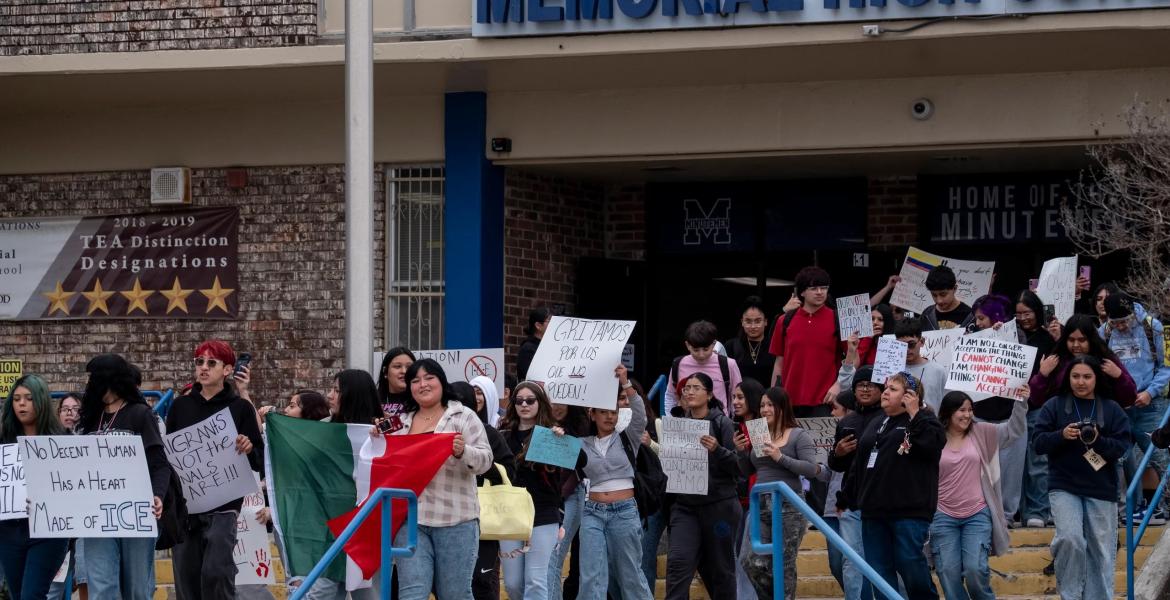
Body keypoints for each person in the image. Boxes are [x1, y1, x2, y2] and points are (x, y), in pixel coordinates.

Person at [387, 359, 493, 600]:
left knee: (454, 594)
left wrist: (463, 451)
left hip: (456, 521)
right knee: (411, 594)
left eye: (429, 378)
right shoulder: (401, 421)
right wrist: (376, 437)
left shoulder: (463, 416)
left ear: (441, 381)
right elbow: (384, 459)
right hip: (410, 520)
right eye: (415, 380)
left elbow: (486, 460)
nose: (422, 384)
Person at [166, 341, 265, 600]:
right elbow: (172, 456)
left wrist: (248, 445)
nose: (203, 368)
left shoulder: (240, 408)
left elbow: (259, 460)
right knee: (186, 576)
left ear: (227, 369)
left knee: (216, 571)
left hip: (224, 505)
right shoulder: (179, 406)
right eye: (199, 362)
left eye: (211, 363)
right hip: (187, 506)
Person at [1033, 356, 1132, 600]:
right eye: (1076, 376)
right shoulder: (1054, 405)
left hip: (1102, 487)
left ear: (1097, 379)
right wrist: (1061, 435)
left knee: (1101, 551)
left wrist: (1098, 440)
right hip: (1064, 485)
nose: (1081, 382)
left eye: (1087, 376)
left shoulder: (1111, 408)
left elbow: (1122, 448)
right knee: (1070, 538)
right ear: (1068, 378)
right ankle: (1071, 595)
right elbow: (1038, 443)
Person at [1026, 314, 1137, 527]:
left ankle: (1118, 517)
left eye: (1082, 340)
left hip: (1103, 436)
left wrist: (1118, 376)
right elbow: (1035, 398)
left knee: (1115, 474)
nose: (1076, 345)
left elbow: (1129, 396)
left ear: (1091, 339)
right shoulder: (1056, 361)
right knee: (1070, 533)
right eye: (1071, 339)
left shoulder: (1106, 360)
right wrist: (1042, 375)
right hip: (1063, 442)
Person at [77, 354, 170, 600]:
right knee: (102, 589)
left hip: (135, 514)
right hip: (96, 516)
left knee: (137, 590)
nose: (90, 384)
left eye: (94, 378)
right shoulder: (89, 421)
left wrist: (158, 495)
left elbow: (160, 464)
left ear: (109, 380)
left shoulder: (140, 414)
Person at [852, 372, 944, 600]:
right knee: (879, 571)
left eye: (892, 389)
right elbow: (861, 462)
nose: (884, 392)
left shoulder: (926, 420)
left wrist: (915, 412)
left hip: (909, 511)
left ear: (910, 396)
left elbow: (932, 445)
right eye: (886, 388)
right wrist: (849, 496)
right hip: (873, 510)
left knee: (909, 565)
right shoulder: (877, 421)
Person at [932, 390, 1027, 600]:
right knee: (947, 572)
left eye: (970, 410)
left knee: (975, 570)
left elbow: (1014, 430)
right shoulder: (934, 436)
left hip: (977, 514)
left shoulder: (982, 432)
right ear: (947, 413)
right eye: (961, 410)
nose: (967, 415)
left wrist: (1021, 402)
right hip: (942, 516)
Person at [498, 382, 584, 600]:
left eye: (530, 400)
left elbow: (582, 461)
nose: (524, 404)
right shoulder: (503, 436)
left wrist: (561, 439)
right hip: (510, 514)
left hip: (544, 513)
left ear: (540, 403)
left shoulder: (550, 435)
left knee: (536, 582)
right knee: (513, 584)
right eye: (519, 400)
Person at [734, 386, 819, 600]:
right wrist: (741, 452)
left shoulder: (798, 435)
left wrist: (781, 457)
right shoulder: (759, 433)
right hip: (760, 503)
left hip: (788, 505)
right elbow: (748, 471)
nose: (764, 409)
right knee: (750, 561)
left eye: (770, 404)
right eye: (762, 405)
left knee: (783, 563)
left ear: (782, 407)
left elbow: (811, 469)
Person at [577, 364, 652, 600]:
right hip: (592, 511)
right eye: (604, 411)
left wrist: (626, 383)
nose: (610, 416)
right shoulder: (580, 442)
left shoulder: (627, 437)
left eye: (613, 412)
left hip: (625, 511)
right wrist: (557, 434)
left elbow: (640, 415)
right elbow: (551, 449)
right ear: (593, 414)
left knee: (630, 574)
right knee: (591, 575)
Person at [665, 373, 742, 600]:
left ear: (709, 395)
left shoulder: (723, 423)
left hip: (719, 507)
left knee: (721, 569)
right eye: (686, 388)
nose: (689, 392)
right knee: (678, 563)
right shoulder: (678, 425)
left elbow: (740, 468)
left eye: (696, 388)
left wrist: (718, 450)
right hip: (685, 507)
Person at [1100, 293, 1170, 522]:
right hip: (1120, 406)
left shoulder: (1153, 327)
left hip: (1150, 402)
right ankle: (1124, 509)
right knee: (1118, 457)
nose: (1120, 326)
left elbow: (1166, 367)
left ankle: (1165, 507)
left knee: (1159, 456)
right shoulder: (1105, 332)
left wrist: (1150, 392)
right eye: (1115, 322)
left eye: (1124, 321)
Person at [0, 375, 69, 600]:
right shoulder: (4, 442)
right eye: (17, 398)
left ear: (40, 401)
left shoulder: (61, 441)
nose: (21, 403)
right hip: (10, 531)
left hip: (48, 532)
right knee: (18, 595)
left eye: (28, 398)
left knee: (32, 595)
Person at [827, 366, 883, 600]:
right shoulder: (846, 421)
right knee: (851, 561)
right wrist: (838, 453)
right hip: (851, 502)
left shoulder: (890, 418)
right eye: (861, 385)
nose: (866, 389)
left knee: (883, 559)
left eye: (871, 384)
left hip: (883, 503)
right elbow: (836, 465)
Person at [461, 382, 515, 600]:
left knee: (482, 580)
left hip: (484, 518)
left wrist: (479, 461)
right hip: (452, 518)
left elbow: (509, 472)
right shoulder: (439, 432)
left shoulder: (490, 434)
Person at [768, 266, 841, 418]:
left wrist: (839, 385)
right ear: (801, 292)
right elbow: (779, 362)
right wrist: (773, 398)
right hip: (789, 401)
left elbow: (852, 360)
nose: (820, 292)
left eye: (824, 287)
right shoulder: (784, 321)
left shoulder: (837, 319)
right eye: (814, 288)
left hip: (825, 401)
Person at [548, 401, 592, 600]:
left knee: (553, 559)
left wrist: (564, 440)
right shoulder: (539, 428)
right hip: (543, 500)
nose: (555, 407)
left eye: (561, 403)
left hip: (570, 497)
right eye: (550, 402)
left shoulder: (580, 429)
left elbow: (583, 465)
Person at [728, 378, 764, 600]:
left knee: (746, 557)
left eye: (740, 397)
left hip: (755, 500)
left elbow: (761, 464)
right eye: (733, 397)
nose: (735, 402)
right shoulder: (732, 427)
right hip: (734, 499)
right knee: (733, 555)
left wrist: (741, 451)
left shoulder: (760, 427)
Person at [664, 320, 743, 414]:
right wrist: (670, 420)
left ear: (714, 344)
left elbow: (737, 397)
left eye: (706, 349)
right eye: (696, 350)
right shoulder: (678, 364)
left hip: (718, 424)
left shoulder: (728, 364)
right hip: (686, 424)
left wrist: (733, 425)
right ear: (687, 345)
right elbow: (670, 396)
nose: (701, 355)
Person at [724, 296, 777, 385]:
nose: (753, 326)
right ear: (742, 322)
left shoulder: (773, 345)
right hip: (739, 397)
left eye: (757, 321)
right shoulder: (731, 346)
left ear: (765, 322)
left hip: (766, 397)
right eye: (748, 321)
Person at [920, 265, 975, 331]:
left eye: (943, 294)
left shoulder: (969, 315)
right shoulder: (927, 314)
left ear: (954, 289)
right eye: (934, 295)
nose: (939, 301)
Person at [376, 346, 416, 418]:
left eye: (409, 367)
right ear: (385, 372)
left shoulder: (421, 401)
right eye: (397, 366)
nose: (404, 371)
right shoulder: (373, 401)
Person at [517, 307, 552, 380]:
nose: (553, 324)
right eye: (550, 321)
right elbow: (530, 376)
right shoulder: (528, 349)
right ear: (538, 325)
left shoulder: (549, 345)